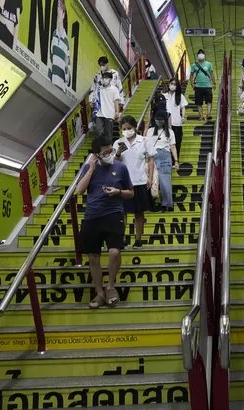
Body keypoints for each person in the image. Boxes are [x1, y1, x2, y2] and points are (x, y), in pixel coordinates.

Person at [76, 136, 134, 309]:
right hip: (92, 216)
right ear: (96, 154)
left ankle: (110, 286)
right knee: (93, 257)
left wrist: (118, 192)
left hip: (114, 214)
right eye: (105, 152)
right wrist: (91, 168)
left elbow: (131, 193)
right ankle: (99, 292)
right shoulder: (88, 167)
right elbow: (79, 190)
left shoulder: (121, 168)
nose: (109, 154)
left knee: (115, 252)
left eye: (111, 150)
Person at [114, 116, 155, 249]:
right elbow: (113, 163)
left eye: (129, 128)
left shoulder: (144, 141)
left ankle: (138, 239)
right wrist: (118, 153)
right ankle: (121, 239)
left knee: (139, 212)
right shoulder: (118, 143)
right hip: (123, 183)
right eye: (124, 129)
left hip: (140, 180)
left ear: (134, 128)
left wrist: (150, 177)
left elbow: (150, 160)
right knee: (122, 213)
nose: (127, 131)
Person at [146, 110, 179, 211]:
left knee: (165, 181)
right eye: (157, 119)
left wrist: (176, 161)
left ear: (165, 120)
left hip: (165, 155)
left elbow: (173, 147)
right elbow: (146, 145)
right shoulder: (150, 131)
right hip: (152, 156)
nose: (159, 121)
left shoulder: (170, 132)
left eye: (161, 120)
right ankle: (153, 203)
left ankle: (167, 204)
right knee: (153, 180)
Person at [89, 71, 122, 142]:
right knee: (99, 131)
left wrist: (117, 112)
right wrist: (92, 102)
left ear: (110, 80)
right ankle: (101, 148)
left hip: (110, 114)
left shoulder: (114, 89)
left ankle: (108, 149)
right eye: (103, 78)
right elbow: (94, 98)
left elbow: (116, 101)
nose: (104, 79)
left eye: (106, 78)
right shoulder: (99, 89)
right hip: (99, 113)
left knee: (108, 133)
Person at [48, 0, 71, 93]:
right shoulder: (53, 35)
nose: (58, 10)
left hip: (61, 89)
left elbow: (68, 72)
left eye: (60, 6)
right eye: (57, 6)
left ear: (64, 12)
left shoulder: (66, 41)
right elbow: (51, 61)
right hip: (51, 84)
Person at [163, 78, 189, 157]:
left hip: (177, 123)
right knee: (166, 142)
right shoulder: (164, 95)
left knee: (177, 141)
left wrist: (183, 117)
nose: (173, 86)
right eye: (171, 83)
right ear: (169, 84)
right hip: (166, 122)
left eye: (175, 84)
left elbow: (183, 107)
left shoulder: (180, 96)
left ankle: (175, 160)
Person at [190, 49, 216, 121]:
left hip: (208, 86)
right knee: (198, 103)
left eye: (202, 53)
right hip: (198, 87)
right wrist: (192, 84)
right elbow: (191, 75)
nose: (200, 54)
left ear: (205, 55)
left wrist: (214, 83)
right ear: (197, 56)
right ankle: (201, 116)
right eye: (199, 53)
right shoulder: (194, 65)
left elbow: (211, 74)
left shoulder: (209, 64)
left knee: (209, 101)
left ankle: (208, 114)